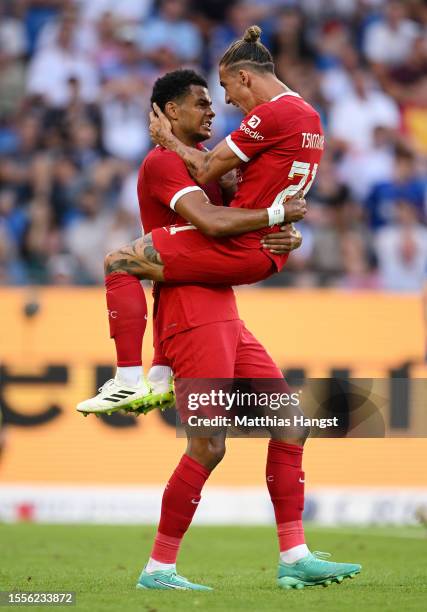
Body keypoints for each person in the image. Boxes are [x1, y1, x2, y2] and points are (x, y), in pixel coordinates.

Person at [82, 26, 361, 589]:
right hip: (192, 306)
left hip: (221, 303)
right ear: (166, 112)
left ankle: (294, 558)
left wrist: (280, 228)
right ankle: (158, 565)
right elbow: (213, 222)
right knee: (208, 444)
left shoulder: (218, 155)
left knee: (289, 424)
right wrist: (278, 220)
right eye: (201, 104)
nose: (216, 110)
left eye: (218, 99)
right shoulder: (164, 163)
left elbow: (242, 214)